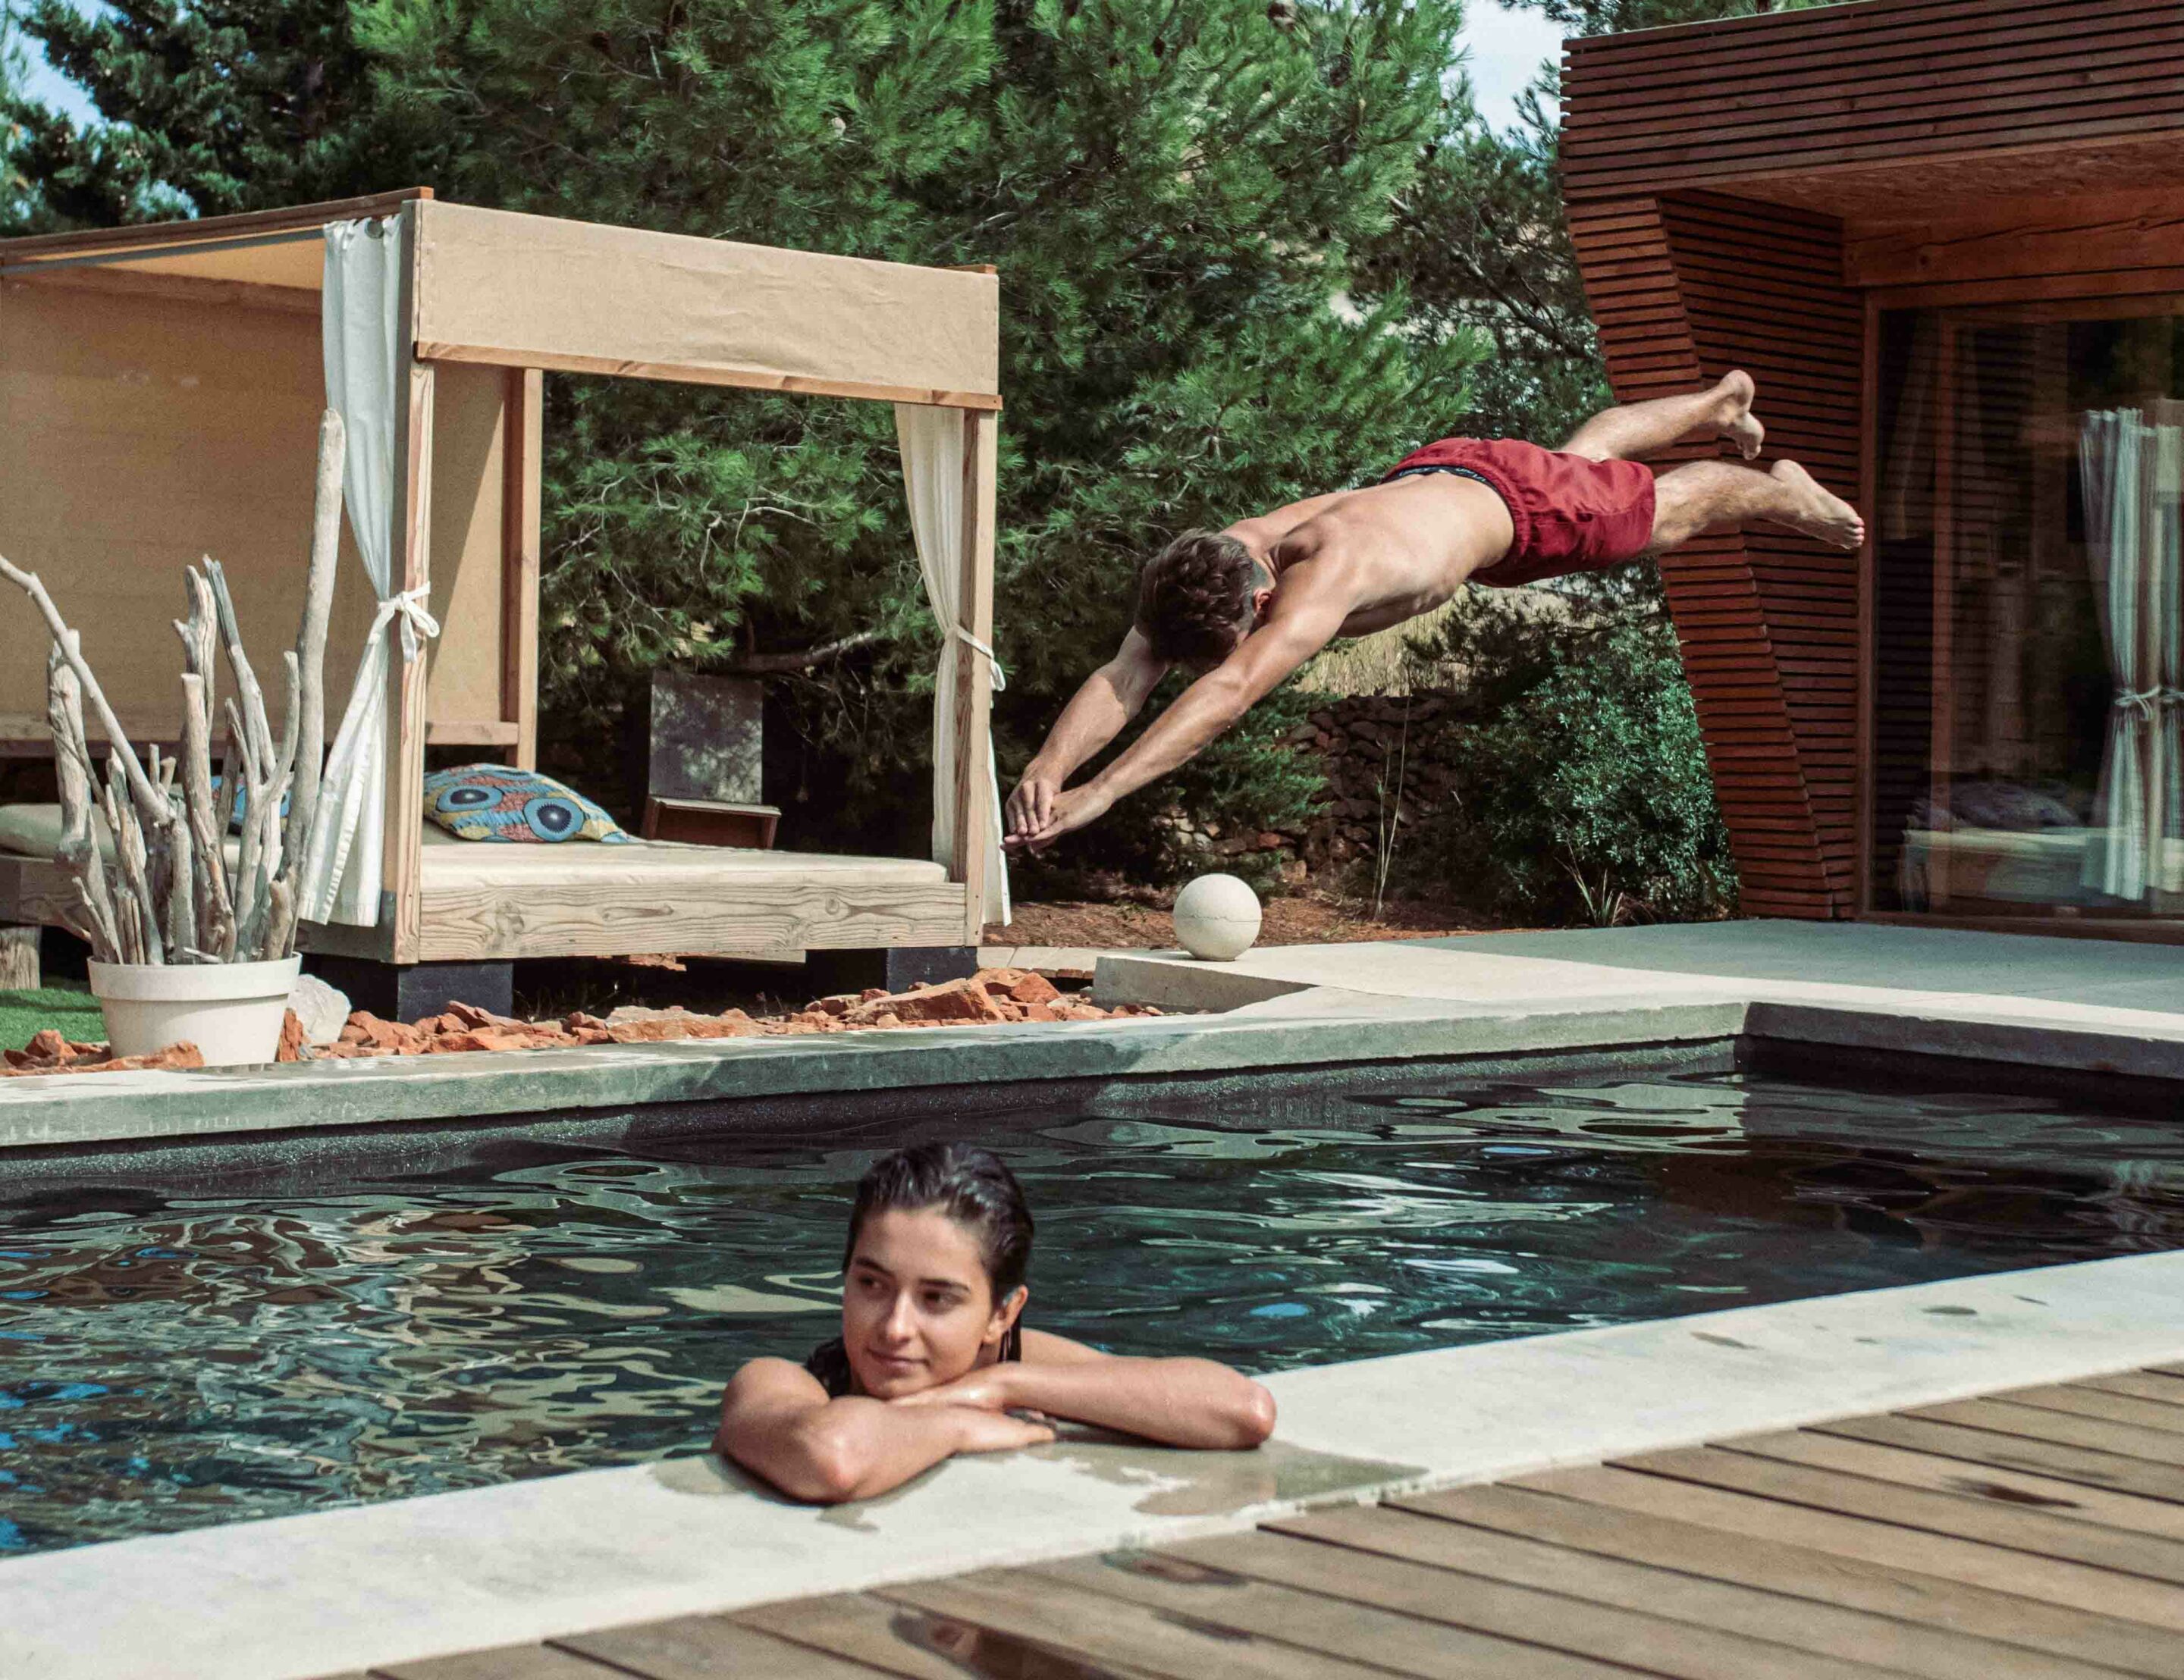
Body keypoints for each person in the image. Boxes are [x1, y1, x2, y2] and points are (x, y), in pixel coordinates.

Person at [1004, 371, 1865, 851]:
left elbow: (1229, 695)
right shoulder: (1220, 553)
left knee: (1673, 511)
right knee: (1585, 455)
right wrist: (1051, 765)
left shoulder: (1322, 578)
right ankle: (1717, 403)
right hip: (1450, 470)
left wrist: (1104, 792)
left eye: (1240, 634)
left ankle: (1780, 489)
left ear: (1259, 599)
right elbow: (1128, 671)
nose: (1237, 648)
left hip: (1516, 518)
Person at [714, 1142, 1276, 1503]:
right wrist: (959, 1423)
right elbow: (831, 1457)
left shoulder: (1009, 1366)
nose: (894, 1328)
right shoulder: (780, 1383)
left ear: (1001, 1313)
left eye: (937, 1299)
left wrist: (1003, 1384)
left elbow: (1241, 1410)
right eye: (871, 1285)